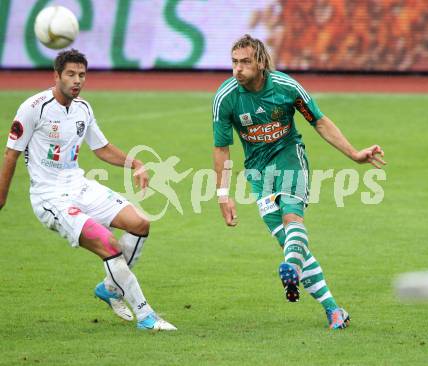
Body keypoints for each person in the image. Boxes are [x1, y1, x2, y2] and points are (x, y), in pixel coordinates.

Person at [212, 35, 386, 329]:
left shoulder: (285, 87)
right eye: (234, 62)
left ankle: (291, 267)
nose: (237, 69)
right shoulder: (225, 98)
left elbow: (318, 120)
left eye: (244, 63)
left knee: (293, 221)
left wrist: (355, 154)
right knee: (291, 241)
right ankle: (332, 309)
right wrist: (222, 194)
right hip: (258, 173)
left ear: (261, 63)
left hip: (290, 157)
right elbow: (221, 148)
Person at [0, 49, 176, 331]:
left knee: (140, 223)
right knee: (109, 244)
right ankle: (146, 316)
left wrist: (136, 164)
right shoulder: (34, 108)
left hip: (80, 185)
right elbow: (11, 154)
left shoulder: (83, 108)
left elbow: (101, 149)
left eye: (81, 75)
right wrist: (1, 198)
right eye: (70, 74)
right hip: (50, 197)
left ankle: (110, 288)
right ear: (56, 75)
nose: (76, 80)